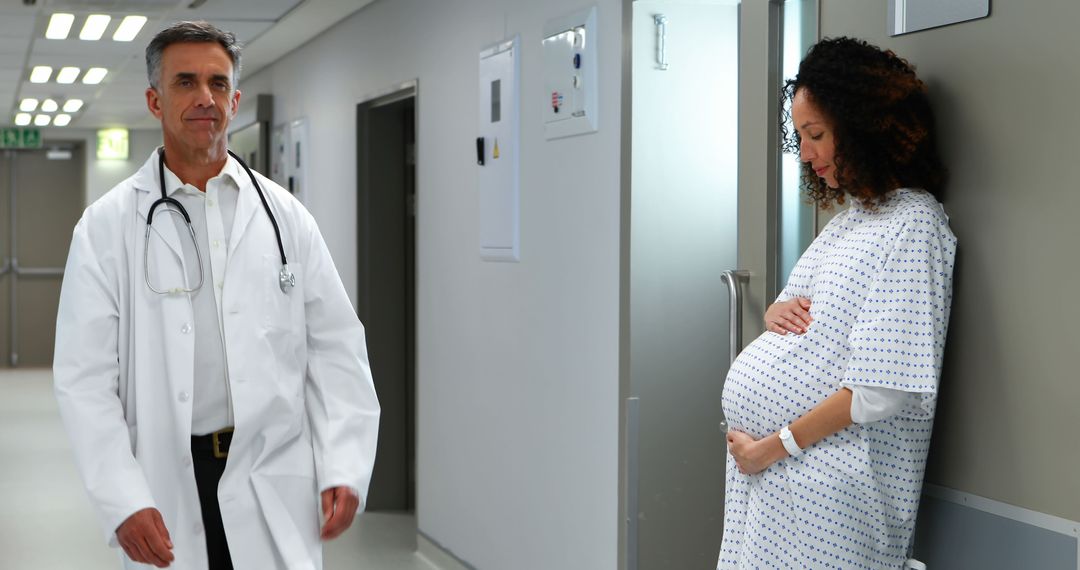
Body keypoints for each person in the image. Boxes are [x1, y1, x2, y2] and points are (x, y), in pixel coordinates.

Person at [53, 21, 380, 570]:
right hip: (167, 478)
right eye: (186, 82)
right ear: (155, 100)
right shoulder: (106, 226)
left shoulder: (284, 217)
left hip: (273, 474)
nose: (205, 97)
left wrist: (344, 461)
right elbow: (84, 380)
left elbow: (336, 346)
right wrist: (122, 498)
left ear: (235, 99)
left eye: (218, 83)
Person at [717, 37, 956, 569]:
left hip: (830, 497)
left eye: (816, 134)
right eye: (800, 136)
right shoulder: (851, 221)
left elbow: (880, 389)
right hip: (774, 482)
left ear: (865, 127)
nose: (805, 153)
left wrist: (773, 446)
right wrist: (772, 314)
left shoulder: (913, 226)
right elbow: (797, 314)